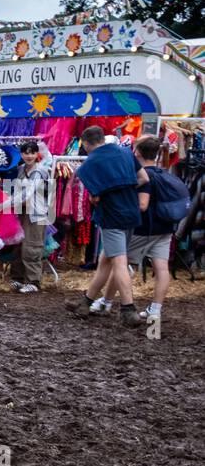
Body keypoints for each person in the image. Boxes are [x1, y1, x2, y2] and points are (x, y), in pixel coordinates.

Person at [68, 125, 147, 325]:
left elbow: (94, 198)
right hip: (131, 212)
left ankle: (128, 310)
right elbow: (144, 178)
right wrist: (125, 189)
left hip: (111, 216)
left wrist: (108, 194)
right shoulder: (126, 153)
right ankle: (86, 303)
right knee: (106, 260)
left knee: (119, 262)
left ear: (85, 144)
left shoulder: (87, 166)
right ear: (103, 138)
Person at [127, 135, 189, 322]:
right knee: (162, 268)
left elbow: (143, 204)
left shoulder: (143, 177)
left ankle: (106, 301)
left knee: (118, 263)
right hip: (165, 227)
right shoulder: (164, 173)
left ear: (137, 152)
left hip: (144, 229)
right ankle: (155, 309)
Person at [6, 139, 55, 293]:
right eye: (26, 153)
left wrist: (3, 205)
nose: (29, 156)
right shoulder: (20, 170)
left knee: (32, 247)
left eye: (32, 152)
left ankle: (33, 281)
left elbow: (28, 193)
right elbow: (15, 190)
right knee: (19, 246)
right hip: (21, 212)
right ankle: (18, 279)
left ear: (37, 154)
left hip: (36, 214)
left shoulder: (40, 172)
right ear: (21, 154)